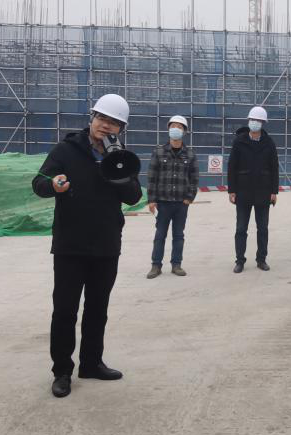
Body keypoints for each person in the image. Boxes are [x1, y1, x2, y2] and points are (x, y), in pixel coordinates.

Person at [32, 94, 142, 398]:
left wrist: (118, 168)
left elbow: (134, 196)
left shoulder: (121, 156)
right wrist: (53, 185)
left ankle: (91, 363)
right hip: (70, 245)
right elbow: (39, 182)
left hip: (106, 244)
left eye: (113, 123)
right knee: (65, 310)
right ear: (92, 118)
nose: (105, 125)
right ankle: (62, 371)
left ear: (121, 128)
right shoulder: (65, 150)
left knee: (97, 308)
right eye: (102, 118)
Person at [227, 105, 279, 273]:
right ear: (249, 121)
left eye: (258, 120)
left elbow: (274, 168)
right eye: (252, 119)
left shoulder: (269, 143)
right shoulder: (239, 141)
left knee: (262, 229)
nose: (255, 122)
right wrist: (231, 190)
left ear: (263, 123)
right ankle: (239, 261)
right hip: (243, 191)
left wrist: (274, 191)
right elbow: (232, 166)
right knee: (241, 229)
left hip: (263, 191)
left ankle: (261, 259)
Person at [146, 115, 199, 278]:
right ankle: (156, 266)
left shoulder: (190, 154)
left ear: (184, 131)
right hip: (163, 202)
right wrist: (152, 200)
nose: (176, 129)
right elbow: (152, 177)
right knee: (160, 235)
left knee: (178, 235)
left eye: (179, 127)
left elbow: (194, 178)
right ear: (168, 129)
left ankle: (176, 265)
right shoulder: (159, 151)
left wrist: (189, 197)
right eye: (173, 126)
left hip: (181, 203)